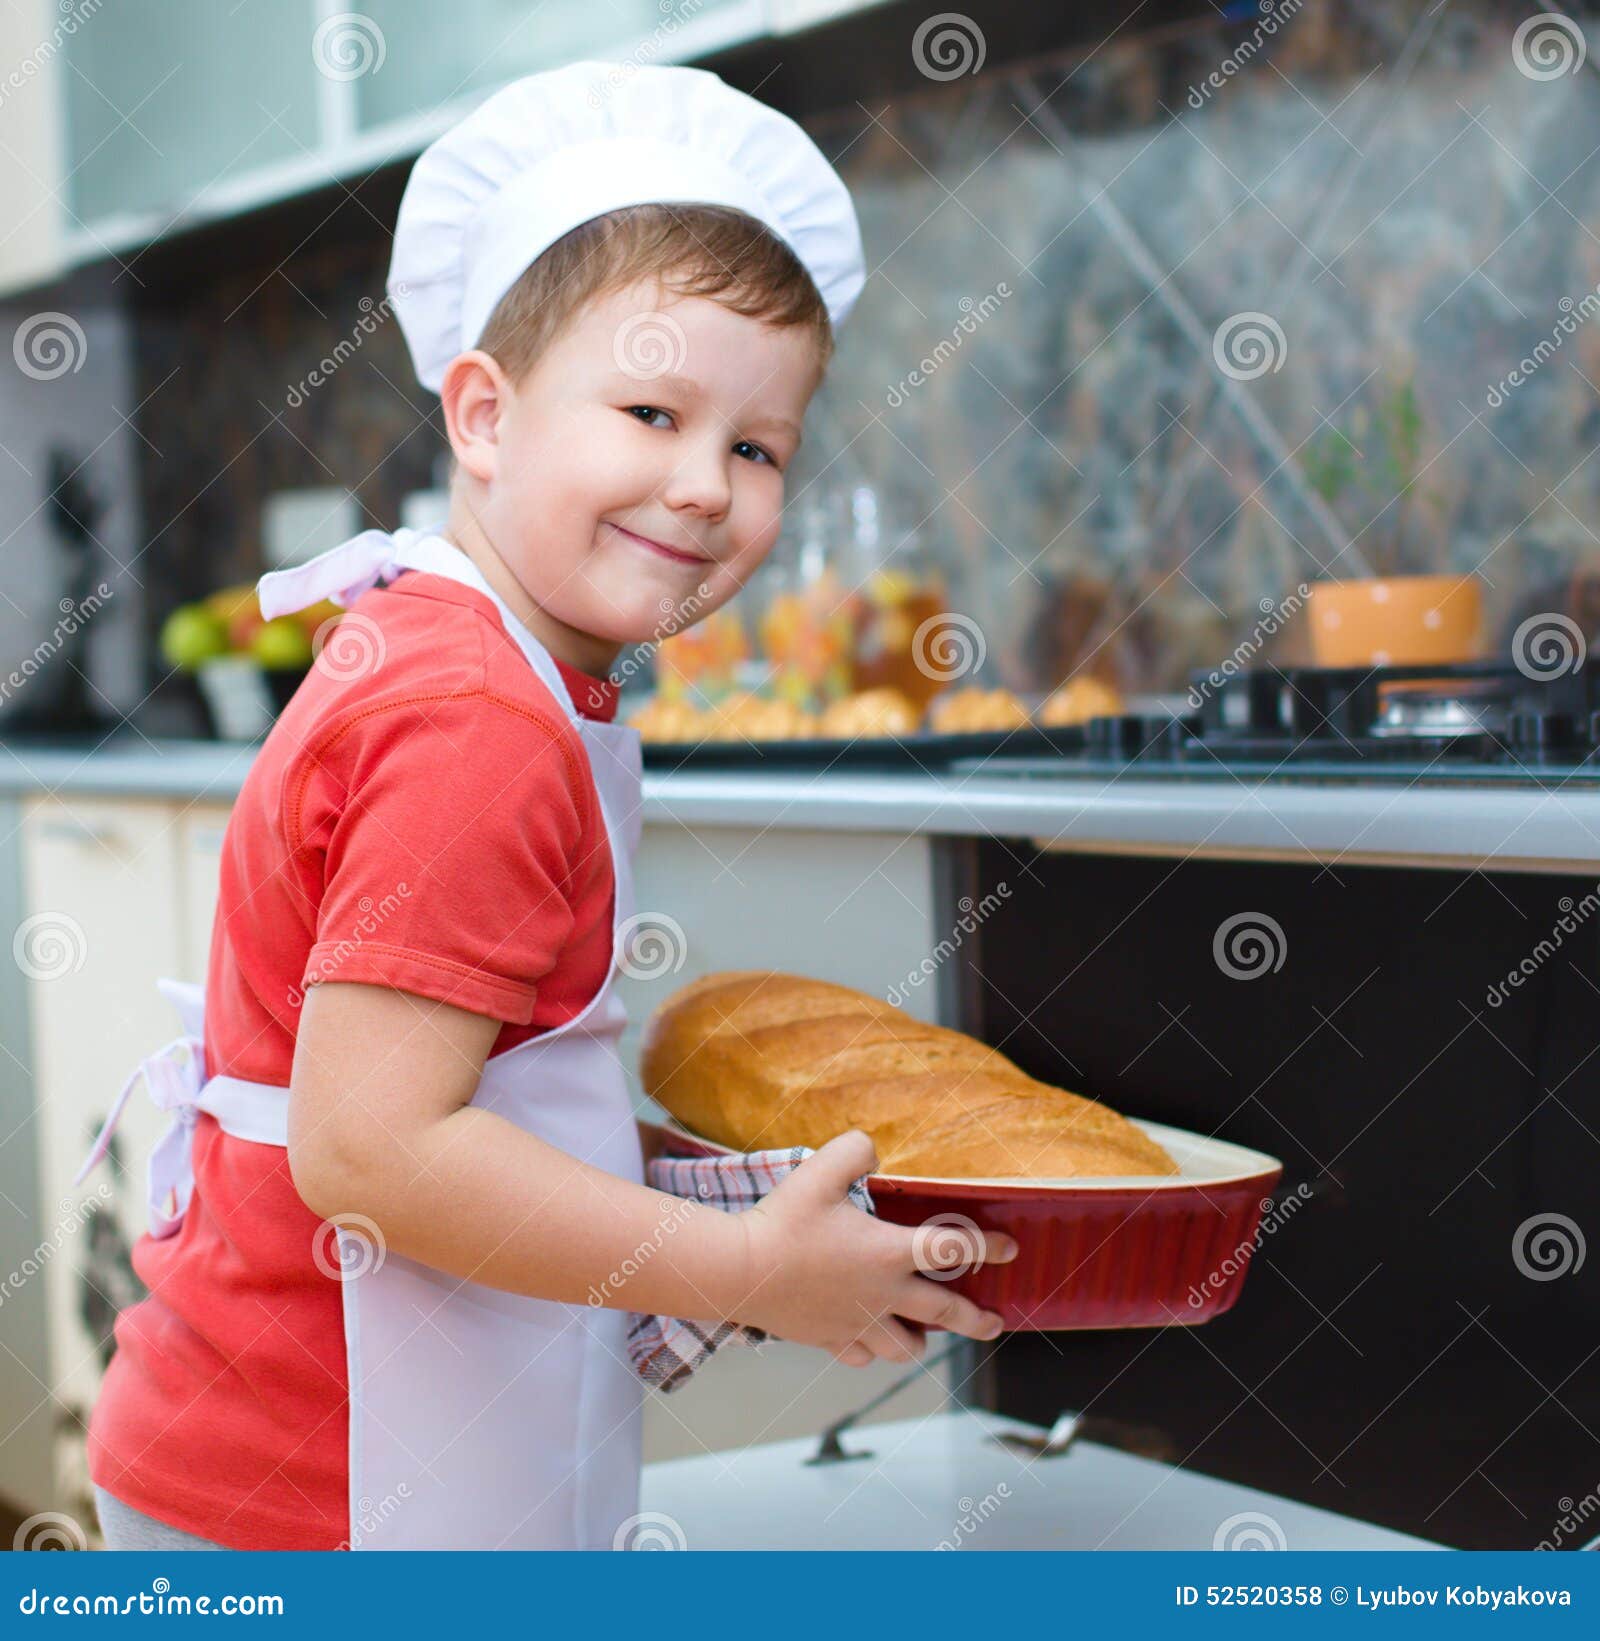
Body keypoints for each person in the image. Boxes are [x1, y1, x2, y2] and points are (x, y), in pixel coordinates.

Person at [78, 59, 1016, 1554]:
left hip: (279, 1454)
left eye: (758, 444)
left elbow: (479, 1080)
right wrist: (741, 1273)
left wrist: (730, 1210)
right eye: (651, 408)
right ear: (484, 415)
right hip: (305, 1496)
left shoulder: (476, 659)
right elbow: (372, 1154)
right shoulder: (475, 721)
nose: (706, 484)